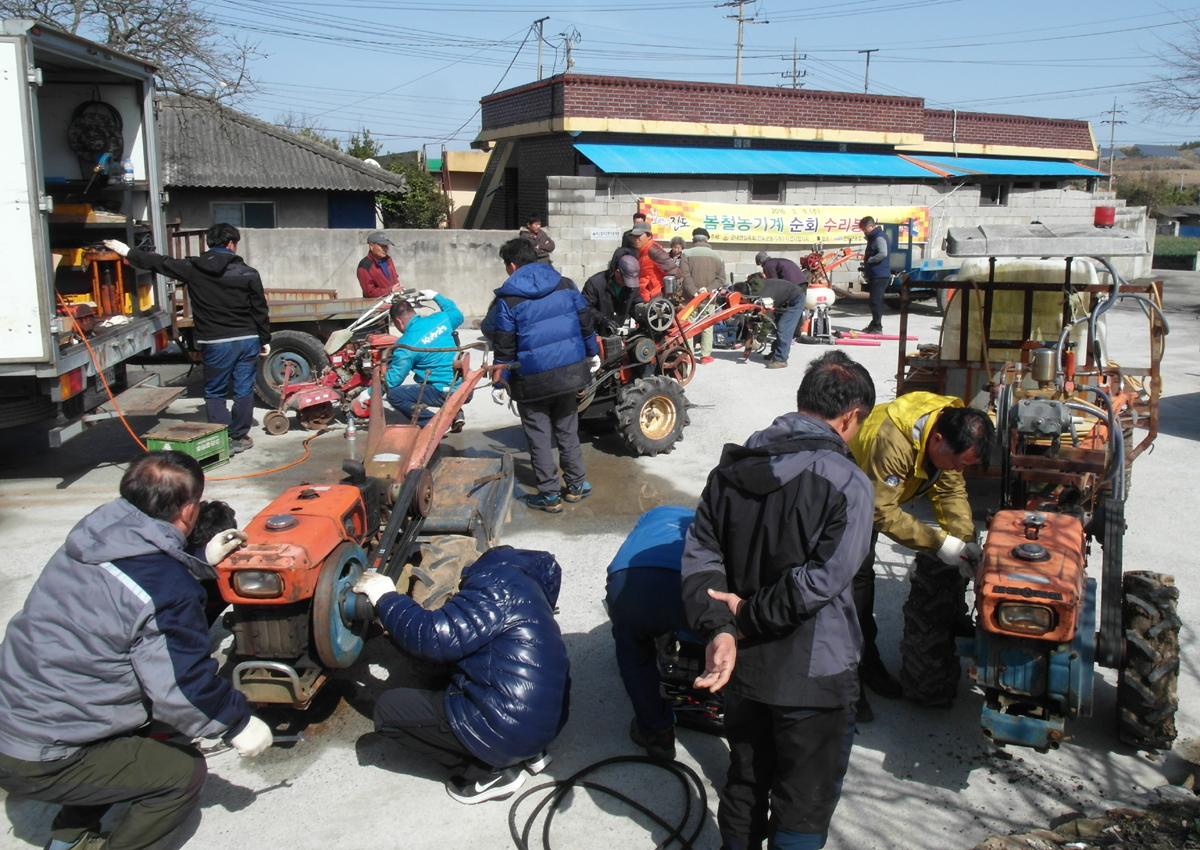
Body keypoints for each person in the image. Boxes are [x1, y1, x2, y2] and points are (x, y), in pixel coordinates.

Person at [0, 451, 273, 850]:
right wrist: (235, 722)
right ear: (189, 509)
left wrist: (197, 561)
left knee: (144, 740)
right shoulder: (164, 587)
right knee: (183, 773)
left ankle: (68, 837)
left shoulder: (96, 536)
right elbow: (181, 687)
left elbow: (136, 587)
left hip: (16, 715)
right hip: (39, 757)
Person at [682, 350, 876, 850]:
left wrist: (720, 628)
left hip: (741, 668)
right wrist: (746, 616)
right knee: (804, 801)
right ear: (851, 416)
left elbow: (702, 554)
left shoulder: (731, 469)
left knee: (746, 780)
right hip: (814, 674)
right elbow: (825, 579)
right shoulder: (848, 482)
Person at [354, 547, 570, 805]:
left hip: (508, 727)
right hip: (547, 724)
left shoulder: (493, 587)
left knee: (389, 709)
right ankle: (529, 753)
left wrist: (386, 597)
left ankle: (488, 773)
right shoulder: (531, 593)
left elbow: (432, 636)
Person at [848, 393, 995, 719]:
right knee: (849, 583)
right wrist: (939, 543)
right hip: (848, 491)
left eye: (965, 464)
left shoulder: (949, 431)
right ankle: (847, 684)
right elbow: (880, 511)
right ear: (938, 440)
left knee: (864, 579)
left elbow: (951, 489)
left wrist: (964, 541)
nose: (959, 468)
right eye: (959, 461)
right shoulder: (893, 444)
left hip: (874, 497)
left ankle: (867, 659)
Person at [105, 224, 269, 455]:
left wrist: (126, 251)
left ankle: (220, 438)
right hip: (247, 338)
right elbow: (260, 309)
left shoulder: (193, 268)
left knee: (216, 391)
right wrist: (264, 338)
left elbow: (160, 262)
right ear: (232, 244)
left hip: (215, 341)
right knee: (243, 388)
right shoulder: (248, 273)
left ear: (209, 243)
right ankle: (239, 436)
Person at [488, 238, 598, 513]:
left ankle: (549, 495)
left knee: (538, 435)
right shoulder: (565, 284)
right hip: (569, 372)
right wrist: (591, 353)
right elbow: (585, 322)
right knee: (567, 429)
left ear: (512, 265)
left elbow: (504, 344)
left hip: (531, 378)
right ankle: (576, 485)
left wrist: (500, 380)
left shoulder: (508, 298)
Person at [605, 506, 696, 761]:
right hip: (686, 584)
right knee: (708, 634)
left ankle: (658, 735)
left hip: (627, 581)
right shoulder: (703, 519)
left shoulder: (649, 517)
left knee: (633, 653)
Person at [384, 290, 466, 431]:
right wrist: (436, 296)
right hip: (464, 386)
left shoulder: (405, 344)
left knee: (393, 395)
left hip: (443, 391)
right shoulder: (442, 319)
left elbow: (393, 380)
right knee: (423, 377)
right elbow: (456, 314)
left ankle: (434, 424)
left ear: (398, 322)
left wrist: (367, 394)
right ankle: (455, 412)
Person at [735, 276, 806, 369]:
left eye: (741, 300)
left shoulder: (764, 297)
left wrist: (759, 341)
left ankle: (781, 360)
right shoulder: (750, 286)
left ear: (745, 296)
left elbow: (768, 321)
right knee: (778, 326)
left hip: (796, 300)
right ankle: (775, 353)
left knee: (783, 328)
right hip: (782, 300)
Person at [681, 228, 727, 365]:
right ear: (707, 239)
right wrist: (707, 289)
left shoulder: (686, 254)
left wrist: (694, 292)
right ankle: (705, 356)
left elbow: (684, 276)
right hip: (709, 298)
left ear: (693, 239)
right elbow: (721, 279)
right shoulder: (717, 257)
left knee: (688, 326)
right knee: (707, 325)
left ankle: (687, 356)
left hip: (690, 299)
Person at [583, 254, 640, 336]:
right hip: (595, 334)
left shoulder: (631, 287)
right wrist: (602, 319)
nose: (627, 284)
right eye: (625, 280)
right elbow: (585, 307)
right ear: (617, 272)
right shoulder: (595, 283)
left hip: (615, 336)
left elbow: (636, 306)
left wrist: (643, 312)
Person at [630, 222, 680, 304]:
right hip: (644, 294)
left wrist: (671, 293)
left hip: (655, 296)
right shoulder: (641, 250)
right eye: (634, 236)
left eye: (639, 236)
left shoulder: (653, 250)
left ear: (649, 236)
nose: (636, 239)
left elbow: (674, 271)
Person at [859, 216, 891, 334]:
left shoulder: (879, 238)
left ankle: (878, 327)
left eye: (864, 228)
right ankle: (874, 324)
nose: (864, 231)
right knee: (874, 301)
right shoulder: (873, 238)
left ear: (871, 226)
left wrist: (870, 260)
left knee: (876, 301)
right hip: (875, 274)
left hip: (880, 275)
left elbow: (883, 253)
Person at [357, 230, 402, 297]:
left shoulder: (388, 260)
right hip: (378, 305)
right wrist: (389, 290)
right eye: (382, 246)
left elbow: (395, 279)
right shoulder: (365, 266)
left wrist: (398, 289)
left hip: (393, 301)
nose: (385, 249)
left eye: (386, 246)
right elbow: (369, 292)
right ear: (371, 246)